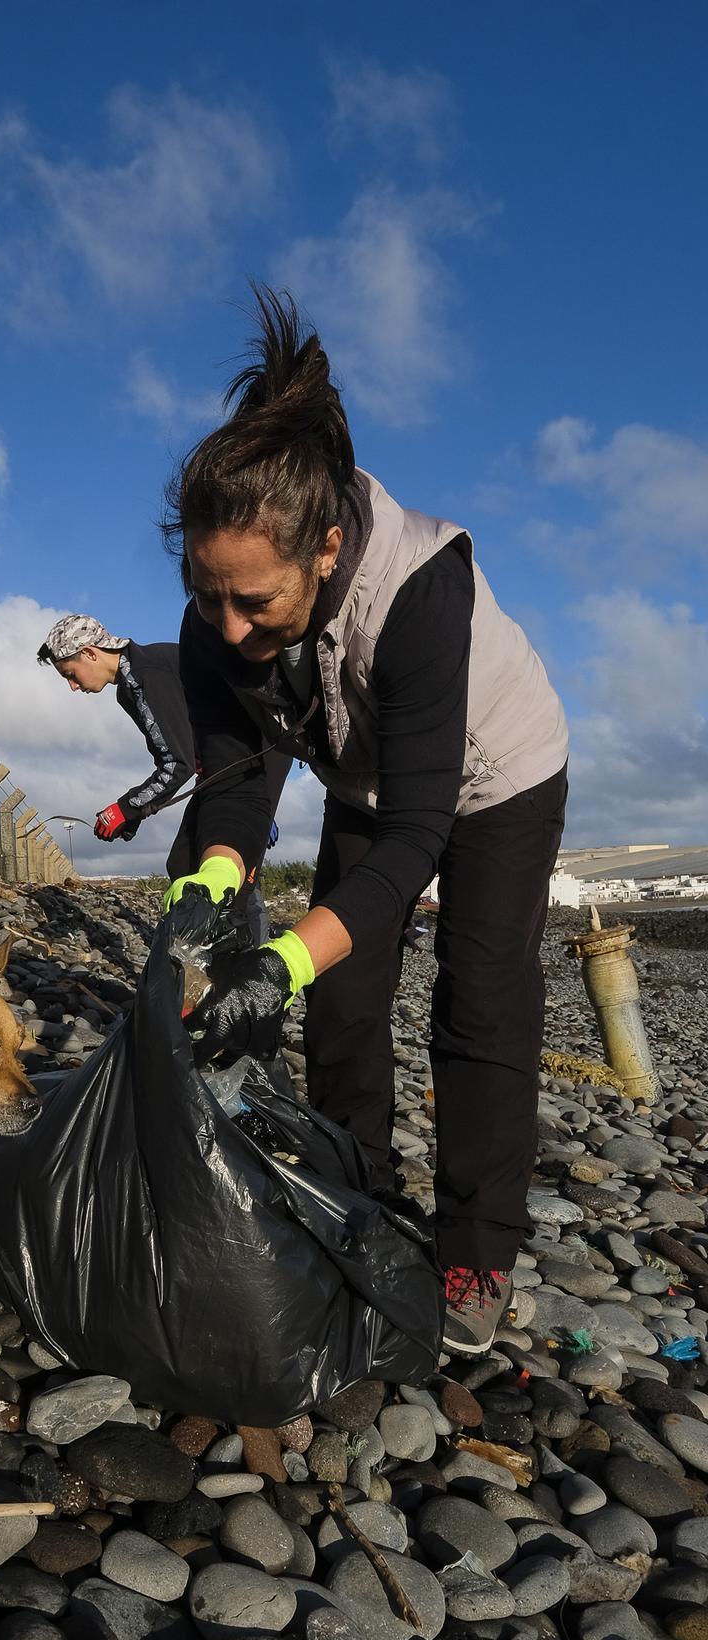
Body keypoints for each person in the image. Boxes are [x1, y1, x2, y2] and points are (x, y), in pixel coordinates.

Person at [163, 288, 569, 1357]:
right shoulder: (219, 614)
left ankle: (477, 1242)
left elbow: (418, 838)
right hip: (368, 781)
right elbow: (239, 781)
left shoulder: (422, 589)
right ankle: (362, 1191)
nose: (229, 625)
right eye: (210, 596)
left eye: (256, 602)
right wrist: (208, 888)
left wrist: (277, 963)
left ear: (330, 547)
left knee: (481, 1000)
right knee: (344, 990)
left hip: (493, 774)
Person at [37, 614, 196, 844]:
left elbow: (178, 765)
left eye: (70, 674)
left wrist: (125, 809)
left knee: (194, 865)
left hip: (246, 762)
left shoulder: (146, 676)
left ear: (90, 653)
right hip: (227, 768)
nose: (72, 686)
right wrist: (136, 814)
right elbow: (172, 759)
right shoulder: (128, 687)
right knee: (183, 864)